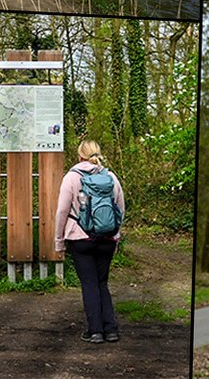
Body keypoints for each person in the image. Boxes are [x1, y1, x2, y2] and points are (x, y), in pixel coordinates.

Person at [54, 140, 126, 344]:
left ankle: (95, 331)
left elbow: (62, 211)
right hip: (107, 239)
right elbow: (120, 209)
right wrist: (116, 236)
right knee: (102, 283)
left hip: (80, 239)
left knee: (89, 284)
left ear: (80, 156)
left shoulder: (71, 177)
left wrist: (59, 241)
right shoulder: (111, 177)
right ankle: (110, 330)